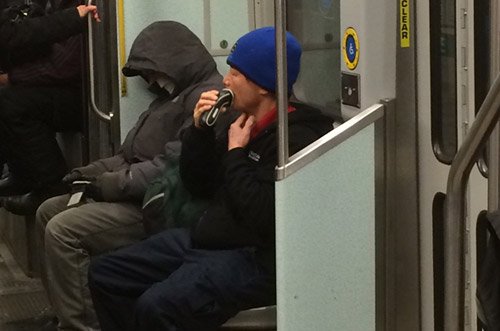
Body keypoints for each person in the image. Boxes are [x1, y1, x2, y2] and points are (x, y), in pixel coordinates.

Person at [88, 26, 333, 331]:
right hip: (209, 238)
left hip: (253, 257)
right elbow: (198, 183)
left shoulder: (295, 137)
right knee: (105, 273)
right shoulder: (242, 121)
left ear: (261, 85)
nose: (225, 80)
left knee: (157, 307)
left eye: (235, 74)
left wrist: (235, 154)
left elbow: (262, 214)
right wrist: (200, 132)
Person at [36, 21, 225, 331]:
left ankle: (84, 324)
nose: (150, 79)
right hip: (140, 192)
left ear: (172, 61)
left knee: (63, 230)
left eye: (152, 70)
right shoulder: (167, 100)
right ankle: (65, 311)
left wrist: (110, 183)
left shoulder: (206, 100)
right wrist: (90, 173)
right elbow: (128, 155)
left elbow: (172, 167)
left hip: (162, 203)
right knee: (48, 210)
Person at [0, 0, 99, 213]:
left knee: (10, 102)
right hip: (60, 85)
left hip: (84, 94)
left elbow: (66, 64)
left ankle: (52, 186)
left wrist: (14, 77)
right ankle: (24, 174)